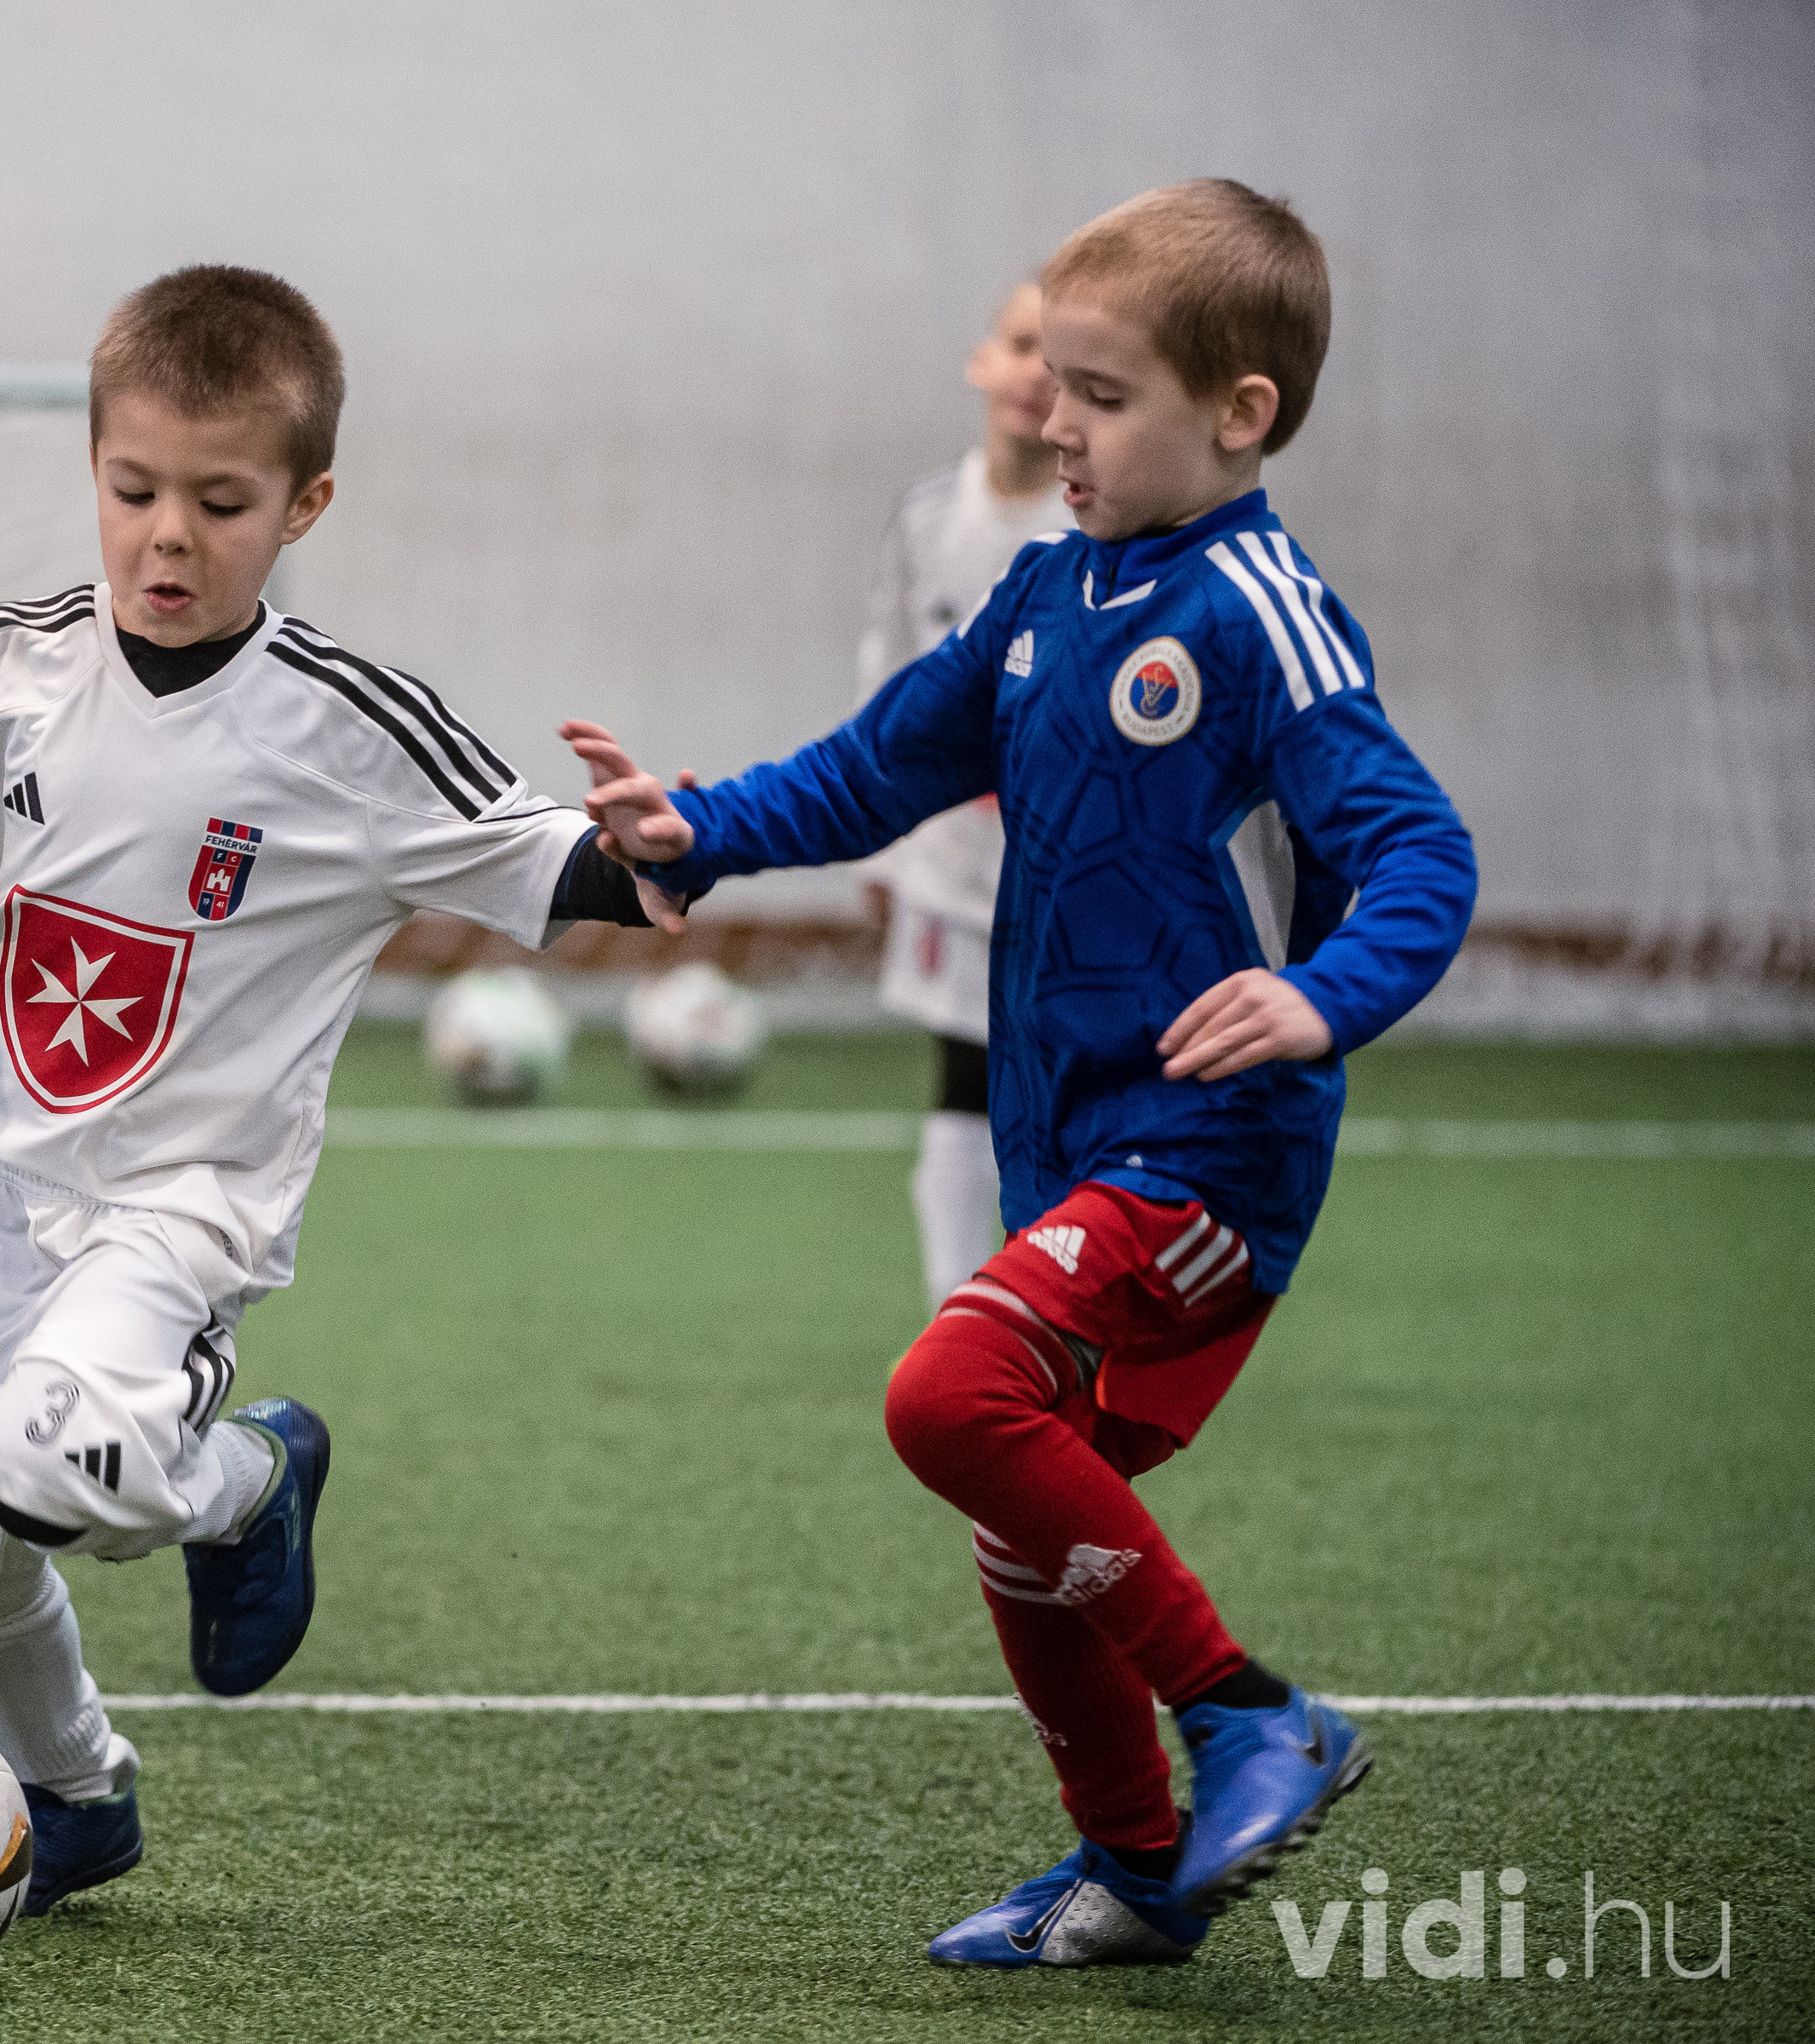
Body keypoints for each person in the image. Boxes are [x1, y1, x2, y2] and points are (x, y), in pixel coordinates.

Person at [0, 267, 681, 1915]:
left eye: (221, 503)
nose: (168, 538)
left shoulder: (346, 732)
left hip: (183, 1201)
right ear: (94, 467)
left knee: (49, 1460)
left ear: (304, 504)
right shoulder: (2, 671)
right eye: (134, 491)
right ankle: (77, 1799)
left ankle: (250, 1486)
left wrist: (654, 853)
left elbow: (543, 856)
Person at [566, 181, 1476, 1966]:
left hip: (1209, 1148)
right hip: (1067, 1140)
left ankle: (1250, 1718)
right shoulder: (1052, 589)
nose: (1055, 421)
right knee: (1020, 1509)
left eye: (1103, 395)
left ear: (1242, 414)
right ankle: (1136, 1867)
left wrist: (1321, 998)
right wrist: (703, 829)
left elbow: (1419, 848)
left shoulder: (1261, 612)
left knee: (948, 1399)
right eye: (1054, 380)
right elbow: (879, 765)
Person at [855, 280, 1072, 1305]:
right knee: (962, 1079)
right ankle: (958, 1314)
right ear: (982, 361)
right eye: (1023, 345)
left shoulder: (1095, 529)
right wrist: (879, 842)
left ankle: (1061, 1305)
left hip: (1068, 865)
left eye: (1064, 361)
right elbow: (888, 679)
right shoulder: (928, 518)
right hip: (952, 861)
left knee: (1062, 1090)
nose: (1038, 375)